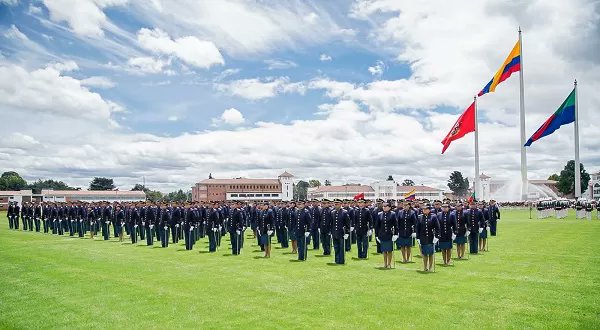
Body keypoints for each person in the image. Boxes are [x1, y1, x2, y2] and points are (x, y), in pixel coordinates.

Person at [415, 205, 440, 272]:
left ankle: (430, 267)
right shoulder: (420, 217)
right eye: (423, 209)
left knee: (431, 254)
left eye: (426, 209)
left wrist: (437, 236)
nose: (424, 210)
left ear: (429, 210)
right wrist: (418, 238)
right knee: (425, 254)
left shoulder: (433, 216)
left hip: (431, 237)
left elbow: (437, 227)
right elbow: (417, 228)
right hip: (422, 238)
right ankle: (425, 267)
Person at [375, 202, 398, 269]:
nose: (384, 207)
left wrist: (396, 234)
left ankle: (389, 263)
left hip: (389, 234)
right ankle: (385, 263)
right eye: (383, 206)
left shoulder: (393, 214)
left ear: (389, 207)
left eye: (386, 206)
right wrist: (376, 235)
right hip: (382, 235)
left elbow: (396, 225)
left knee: (389, 250)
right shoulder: (379, 214)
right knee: (384, 250)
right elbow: (377, 226)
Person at [330, 199, 350, 264]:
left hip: (341, 233)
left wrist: (347, 232)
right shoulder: (332, 212)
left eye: (337, 204)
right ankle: (336, 260)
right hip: (334, 232)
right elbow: (332, 223)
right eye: (335, 204)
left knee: (341, 247)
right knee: (336, 247)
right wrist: (331, 232)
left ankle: (341, 260)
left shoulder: (344, 212)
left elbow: (347, 223)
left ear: (340, 204)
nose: (335, 205)